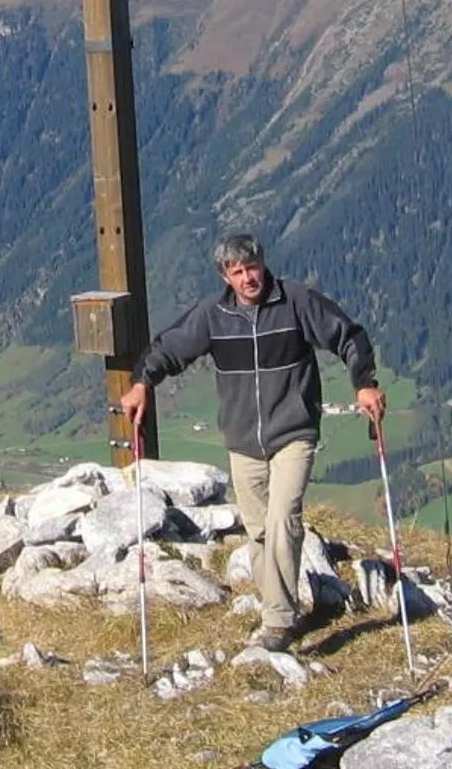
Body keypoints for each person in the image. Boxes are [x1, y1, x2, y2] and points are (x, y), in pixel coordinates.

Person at [117, 232, 384, 652]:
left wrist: (364, 384)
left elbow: (348, 335)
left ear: (263, 264)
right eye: (237, 272)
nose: (247, 278)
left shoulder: (295, 302)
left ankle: (277, 622)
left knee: (283, 520)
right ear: (225, 274)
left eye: (252, 268)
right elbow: (169, 348)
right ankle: (282, 607)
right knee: (259, 533)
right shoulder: (213, 315)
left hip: (294, 431)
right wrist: (141, 383)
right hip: (242, 441)